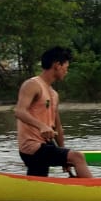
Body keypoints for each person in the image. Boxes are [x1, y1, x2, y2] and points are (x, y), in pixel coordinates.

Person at [14, 46, 93, 177]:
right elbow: (19, 112)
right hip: (31, 147)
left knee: (37, 185)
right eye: (66, 67)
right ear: (57, 65)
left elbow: (58, 127)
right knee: (78, 157)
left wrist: (64, 156)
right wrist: (41, 126)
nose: (66, 72)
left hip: (46, 147)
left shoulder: (54, 94)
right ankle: (94, 193)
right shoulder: (32, 85)